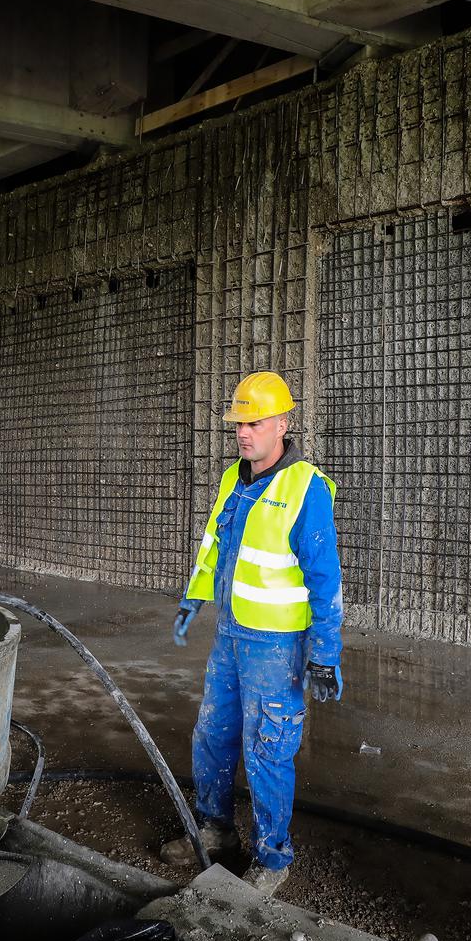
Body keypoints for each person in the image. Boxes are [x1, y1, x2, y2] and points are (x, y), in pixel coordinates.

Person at [161, 371, 344, 897]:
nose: (244, 432)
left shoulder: (304, 487)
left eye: (255, 422)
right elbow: (214, 545)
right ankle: (215, 831)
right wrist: (194, 597)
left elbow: (325, 579)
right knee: (213, 736)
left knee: (268, 748)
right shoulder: (232, 478)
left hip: (277, 645)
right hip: (231, 634)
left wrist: (325, 653)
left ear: (283, 424)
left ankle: (272, 857)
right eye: (239, 423)